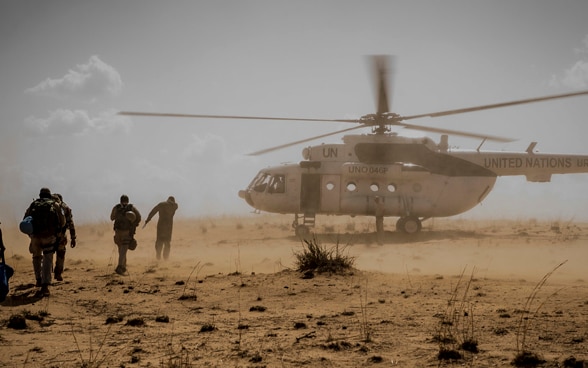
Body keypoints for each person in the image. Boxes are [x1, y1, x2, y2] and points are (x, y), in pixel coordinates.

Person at [23, 187, 65, 297]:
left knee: (36, 257)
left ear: (40, 195)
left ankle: (38, 279)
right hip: (49, 236)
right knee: (48, 258)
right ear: (49, 195)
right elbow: (63, 221)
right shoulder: (54, 204)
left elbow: (25, 219)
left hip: (35, 236)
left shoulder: (33, 204)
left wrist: (31, 235)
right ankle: (45, 286)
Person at [110, 195, 141, 275]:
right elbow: (139, 217)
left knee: (121, 250)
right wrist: (133, 223)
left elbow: (112, 217)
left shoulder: (116, 208)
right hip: (126, 232)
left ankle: (123, 267)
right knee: (123, 250)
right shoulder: (132, 208)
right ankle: (120, 266)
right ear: (128, 200)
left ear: (120, 200)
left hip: (118, 232)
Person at [144, 196, 178, 260]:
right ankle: (166, 258)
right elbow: (175, 205)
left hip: (161, 226)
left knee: (159, 242)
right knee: (167, 243)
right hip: (169, 227)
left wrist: (147, 220)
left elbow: (153, 211)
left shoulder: (161, 204)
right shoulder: (174, 206)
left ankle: (158, 256)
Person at [52, 193, 76, 281]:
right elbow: (71, 223)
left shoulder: (48, 206)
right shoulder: (65, 208)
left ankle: (45, 274)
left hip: (47, 235)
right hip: (61, 235)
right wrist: (73, 237)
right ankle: (58, 273)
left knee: (47, 253)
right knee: (61, 253)